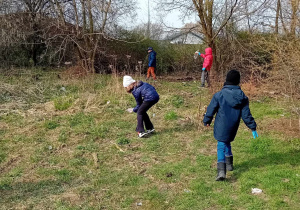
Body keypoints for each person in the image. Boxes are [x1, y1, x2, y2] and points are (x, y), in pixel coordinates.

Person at [203, 70, 258, 181]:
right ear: (238, 81)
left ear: (226, 80)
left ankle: (221, 172)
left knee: (221, 145)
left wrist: (207, 120)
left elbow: (211, 109)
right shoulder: (242, 97)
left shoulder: (219, 95)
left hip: (221, 125)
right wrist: (252, 127)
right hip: (233, 125)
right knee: (226, 141)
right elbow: (246, 114)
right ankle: (229, 165)